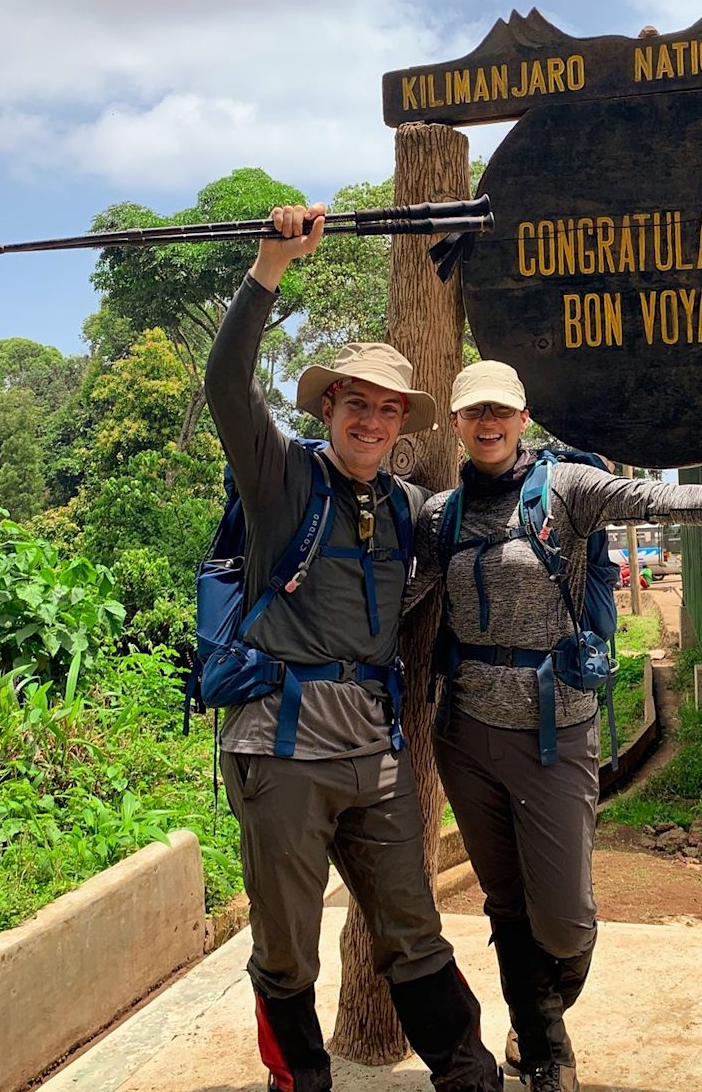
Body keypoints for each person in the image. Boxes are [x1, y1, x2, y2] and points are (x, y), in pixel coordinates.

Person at [408, 360, 702, 1092]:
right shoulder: (438, 517)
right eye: (473, 412)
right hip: (462, 733)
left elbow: (661, 500)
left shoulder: (567, 491)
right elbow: (387, 595)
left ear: (522, 419)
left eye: (501, 412)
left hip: (555, 730)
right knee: (504, 901)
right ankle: (544, 1050)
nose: (488, 423)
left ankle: (540, 1013)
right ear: (454, 423)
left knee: (568, 919)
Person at [205, 204, 500, 1092]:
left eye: (386, 409)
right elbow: (226, 388)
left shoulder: (408, 509)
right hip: (280, 748)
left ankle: (467, 1074)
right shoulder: (282, 478)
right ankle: (299, 1080)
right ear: (330, 405)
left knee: (412, 930)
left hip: (371, 752)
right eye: (356, 403)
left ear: (401, 420)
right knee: (286, 944)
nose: (370, 421)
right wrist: (268, 268)